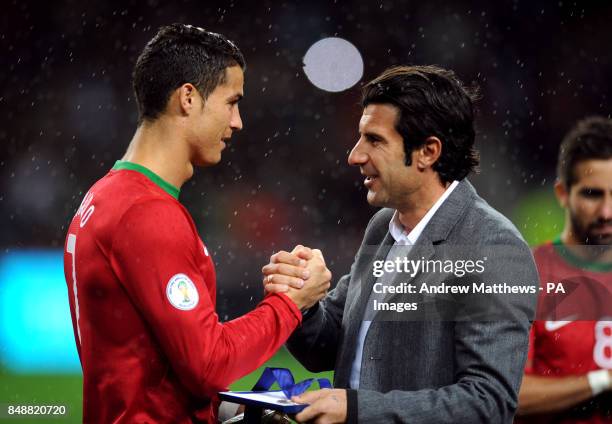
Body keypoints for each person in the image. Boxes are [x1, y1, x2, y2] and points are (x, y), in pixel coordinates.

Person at [63, 23, 330, 424]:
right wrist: (291, 302)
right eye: (231, 102)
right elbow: (210, 362)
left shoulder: (104, 196)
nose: (238, 121)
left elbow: (150, 369)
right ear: (188, 98)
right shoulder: (146, 214)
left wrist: (230, 407)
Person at [262, 65, 539, 423]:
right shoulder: (383, 228)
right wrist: (299, 299)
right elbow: (329, 347)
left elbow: (488, 403)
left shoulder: (494, 249)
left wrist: (358, 410)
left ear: (428, 152)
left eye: (374, 140)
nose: (355, 155)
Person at [516, 116, 612, 423]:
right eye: (592, 194)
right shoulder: (526, 274)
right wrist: (602, 382)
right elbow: (507, 395)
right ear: (562, 194)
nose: (606, 212)